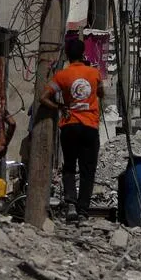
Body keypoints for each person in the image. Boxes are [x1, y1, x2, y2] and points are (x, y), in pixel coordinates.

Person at [41, 39, 103, 222]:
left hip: (69, 126)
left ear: (67, 55)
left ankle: (70, 204)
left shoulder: (62, 75)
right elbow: (101, 93)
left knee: (69, 166)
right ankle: (83, 210)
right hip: (90, 127)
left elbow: (44, 98)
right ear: (83, 53)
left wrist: (60, 106)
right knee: (87, 169)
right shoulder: (94, 73)